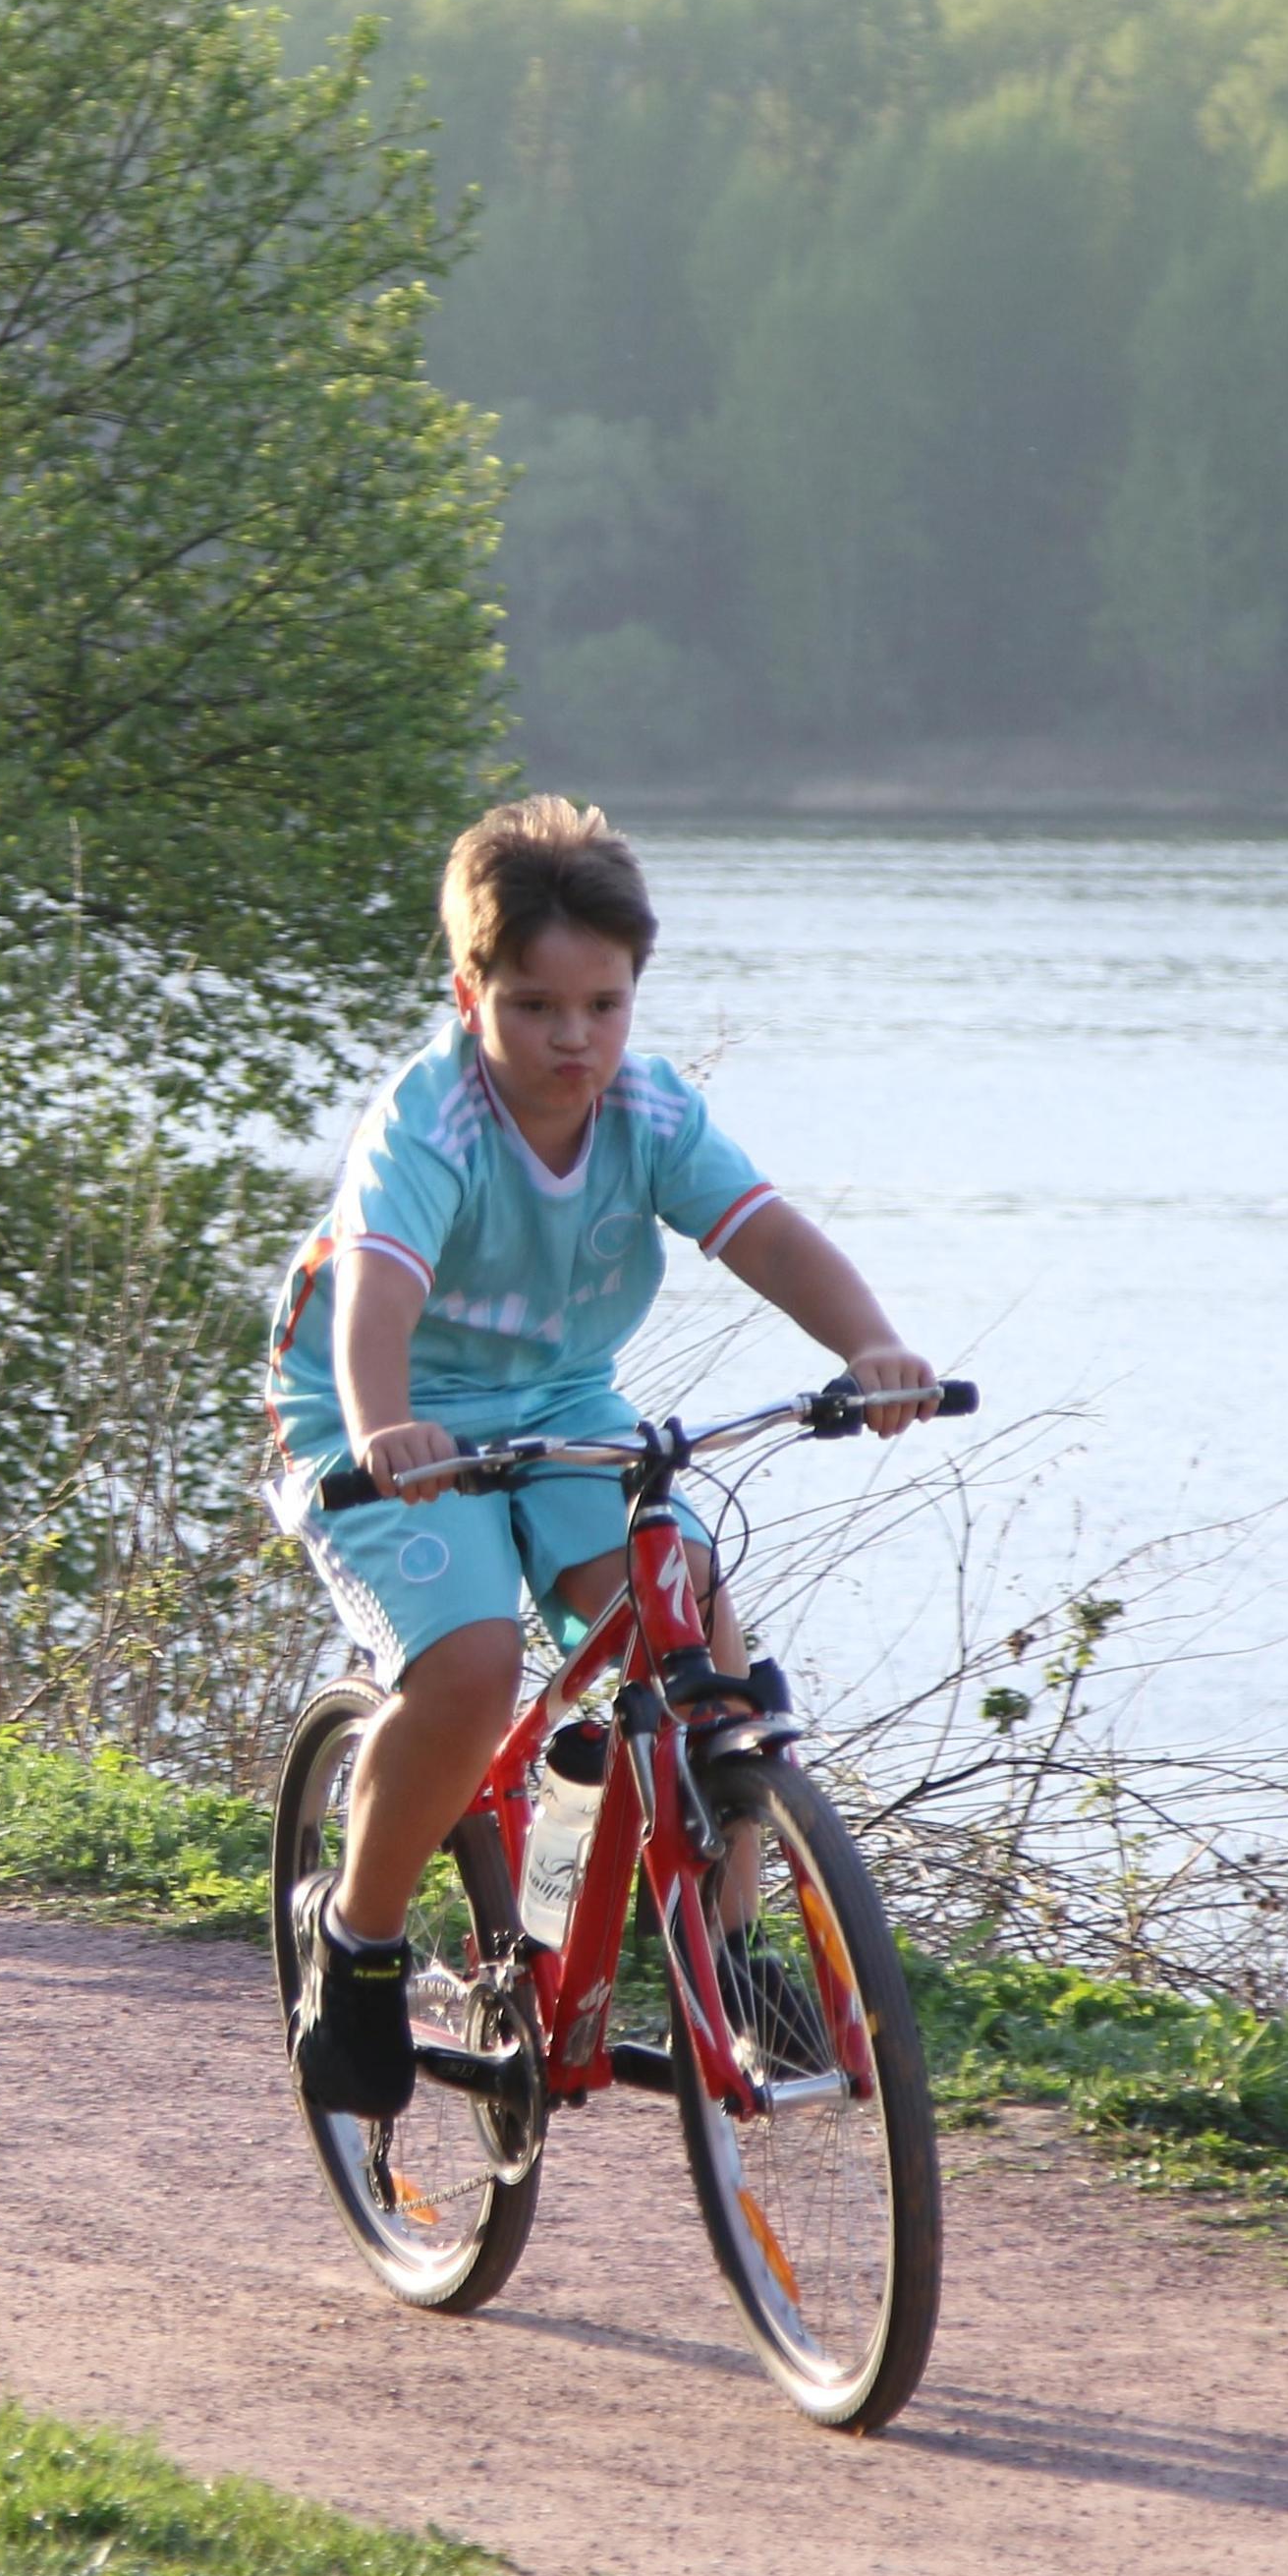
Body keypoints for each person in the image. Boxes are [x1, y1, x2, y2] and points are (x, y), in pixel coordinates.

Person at [265, 795, 935, 2119]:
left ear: (634, 996)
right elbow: (375, 1300)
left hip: (560, 1398)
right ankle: (360, 1941)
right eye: (532, 1006)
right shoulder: (431, 1121)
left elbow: (765, 1235)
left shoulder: (648, 1108)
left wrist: (873, 1346)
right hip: (379, 1411)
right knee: (470, 1666)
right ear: (472, 996)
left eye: (603, 1005)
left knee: (696, 1645)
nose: (572, 1039)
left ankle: (729, 1960)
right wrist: (389, 1423)